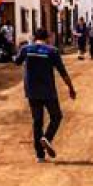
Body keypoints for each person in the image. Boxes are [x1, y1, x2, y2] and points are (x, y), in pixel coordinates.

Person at [14, 28, 77, 163]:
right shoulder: (52, 51)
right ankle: (47, 138)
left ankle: (40, 155)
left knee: (37, 121)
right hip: (48, 91)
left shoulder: (26, 49)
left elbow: (17, 61)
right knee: (56, 116)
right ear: (47, 38)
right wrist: (71, 88)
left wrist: (20, 49)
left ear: (34, 37)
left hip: (32, 91)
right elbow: (62, 72)